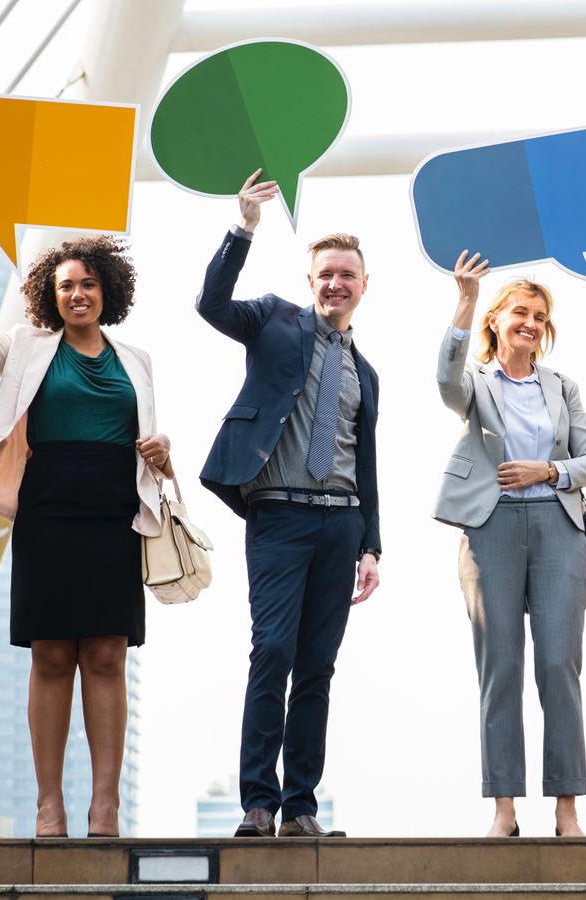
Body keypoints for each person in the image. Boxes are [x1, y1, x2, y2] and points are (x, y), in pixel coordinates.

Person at [0, 210, 172, 838]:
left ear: (107, 291)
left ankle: (105, 808)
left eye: (88, 283)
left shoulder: (137, 359)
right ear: (50, 294)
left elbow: (146, 439)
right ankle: (48, 806)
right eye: (66, 285)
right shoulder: (23, 348)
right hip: (47, 511)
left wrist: (161, 452)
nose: (78, 294)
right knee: (52, 654)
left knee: (108, 653)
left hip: (115, 513)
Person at [197, 171, 381, 839]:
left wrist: (372, 544)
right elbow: (211, 303)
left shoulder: (369, 373)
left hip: (342, 524)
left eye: (347, 275)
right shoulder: (272, 319)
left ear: (364, 286)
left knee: (318, 666)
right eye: (326, 273)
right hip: (278, 515)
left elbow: (366, 462)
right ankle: (258, 802)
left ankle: (302, 808)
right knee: (272, 650)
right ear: (312, 283)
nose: (336, 283)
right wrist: (243, 227)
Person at [435, 250, 586, 838]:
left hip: (559, 529)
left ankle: (566, 809)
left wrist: (547, 472)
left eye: (538, 315)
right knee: (499, 668)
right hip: (491, 529)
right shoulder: (475, 382)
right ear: (497, 321)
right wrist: (464, 298)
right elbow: (444, 379)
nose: (529, 322)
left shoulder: (563, 387)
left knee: (559, 666)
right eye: (519, 312)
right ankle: (504, 809)